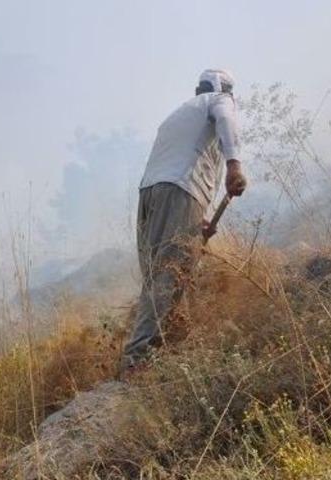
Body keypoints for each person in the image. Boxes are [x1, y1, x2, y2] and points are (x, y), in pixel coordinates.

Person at [121, 69, 247, 373]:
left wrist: (197, 217)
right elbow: (227, 121)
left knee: (156, 275)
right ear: (225, 91)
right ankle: (137, 361)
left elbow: (179, 163)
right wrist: (234, 166)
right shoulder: (219, 101)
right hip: (179, 192)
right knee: (170, 273)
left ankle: (163, 346)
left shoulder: (178, 115)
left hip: (151, 194)